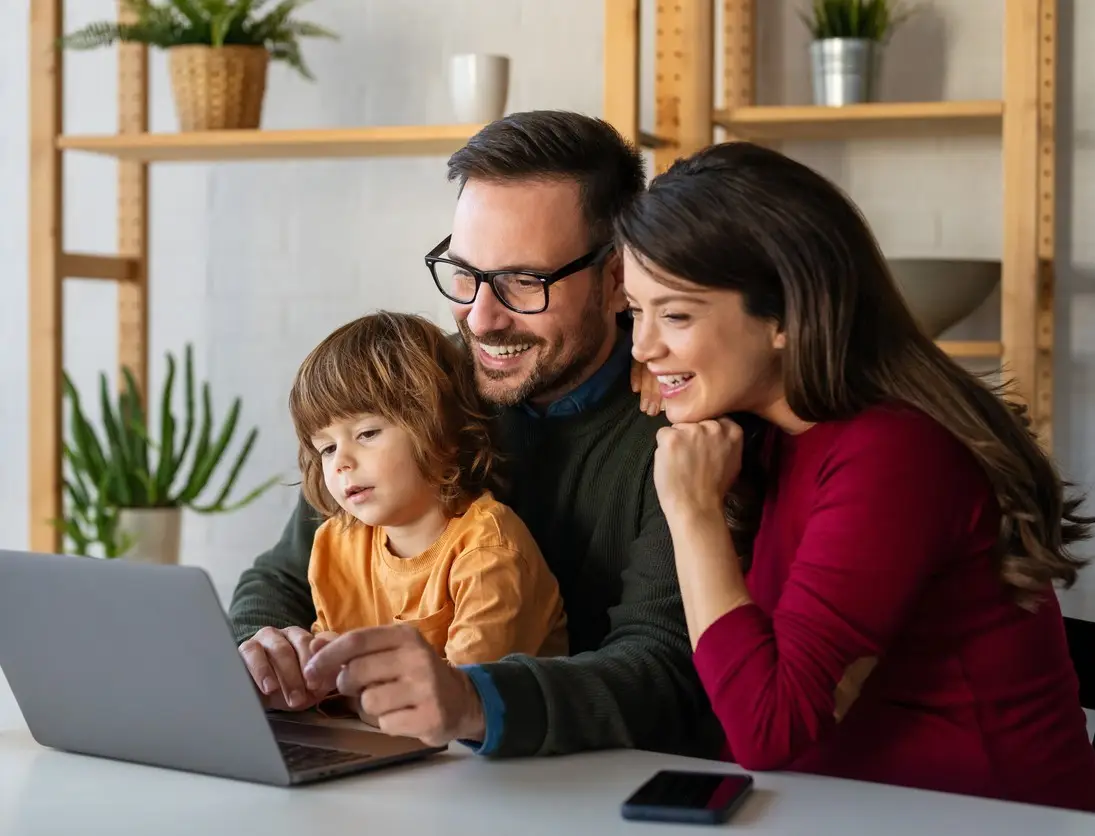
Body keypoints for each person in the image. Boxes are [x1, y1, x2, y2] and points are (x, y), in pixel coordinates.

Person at [615, 140, 1095, 811]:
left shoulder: (895, 452)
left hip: (994, 821)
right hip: (845, 811)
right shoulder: (771, 439)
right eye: (636, 311)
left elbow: (766, 729)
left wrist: (693, 513)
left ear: (783, 315)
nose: (642, 346)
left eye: (674, 314)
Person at [230, 110, 720, 757]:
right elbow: (286, 573)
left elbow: (666, 668)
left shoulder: (679, 425)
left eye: (524, 281)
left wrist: (472, 702)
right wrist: (263, 644)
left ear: (615, 279)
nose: (480, 318)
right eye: (464, 273)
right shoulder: (413, 389)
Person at [249, 311, 569, 715]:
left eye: (366, 434)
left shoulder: (490, 549)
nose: (341, 463)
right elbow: (325, 675)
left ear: (443, 432)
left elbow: (458, 702)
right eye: (326, 448)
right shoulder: (335, 543)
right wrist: (295, 682)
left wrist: (338, 687)